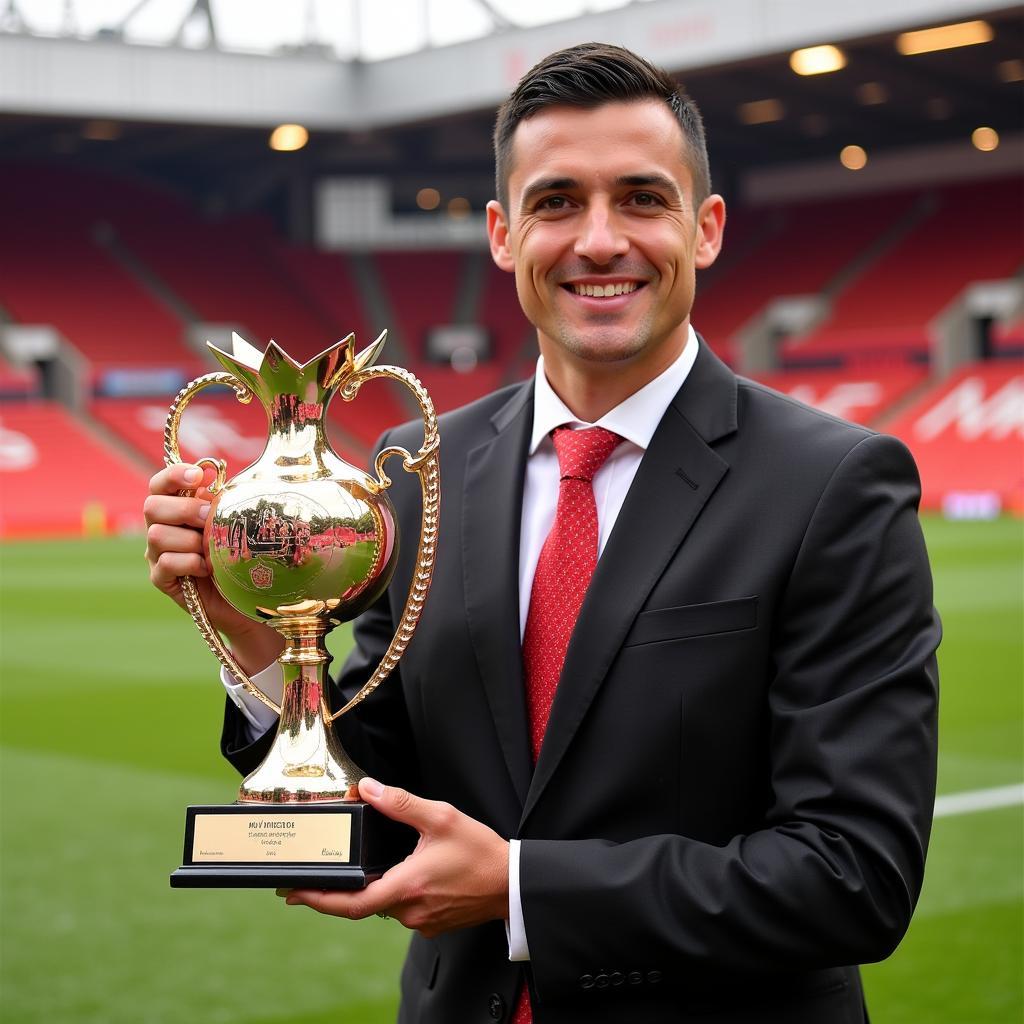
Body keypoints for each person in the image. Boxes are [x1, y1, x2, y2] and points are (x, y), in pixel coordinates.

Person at [146, 42, 940, 1024]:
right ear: (500, 233)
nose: (598, 240)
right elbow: (378, 809)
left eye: (642, 199)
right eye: (556, 201)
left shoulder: (833, 483)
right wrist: (258, 636)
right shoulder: (418, 469)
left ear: (705, 230)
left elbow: (853, 873)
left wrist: (522, 888)